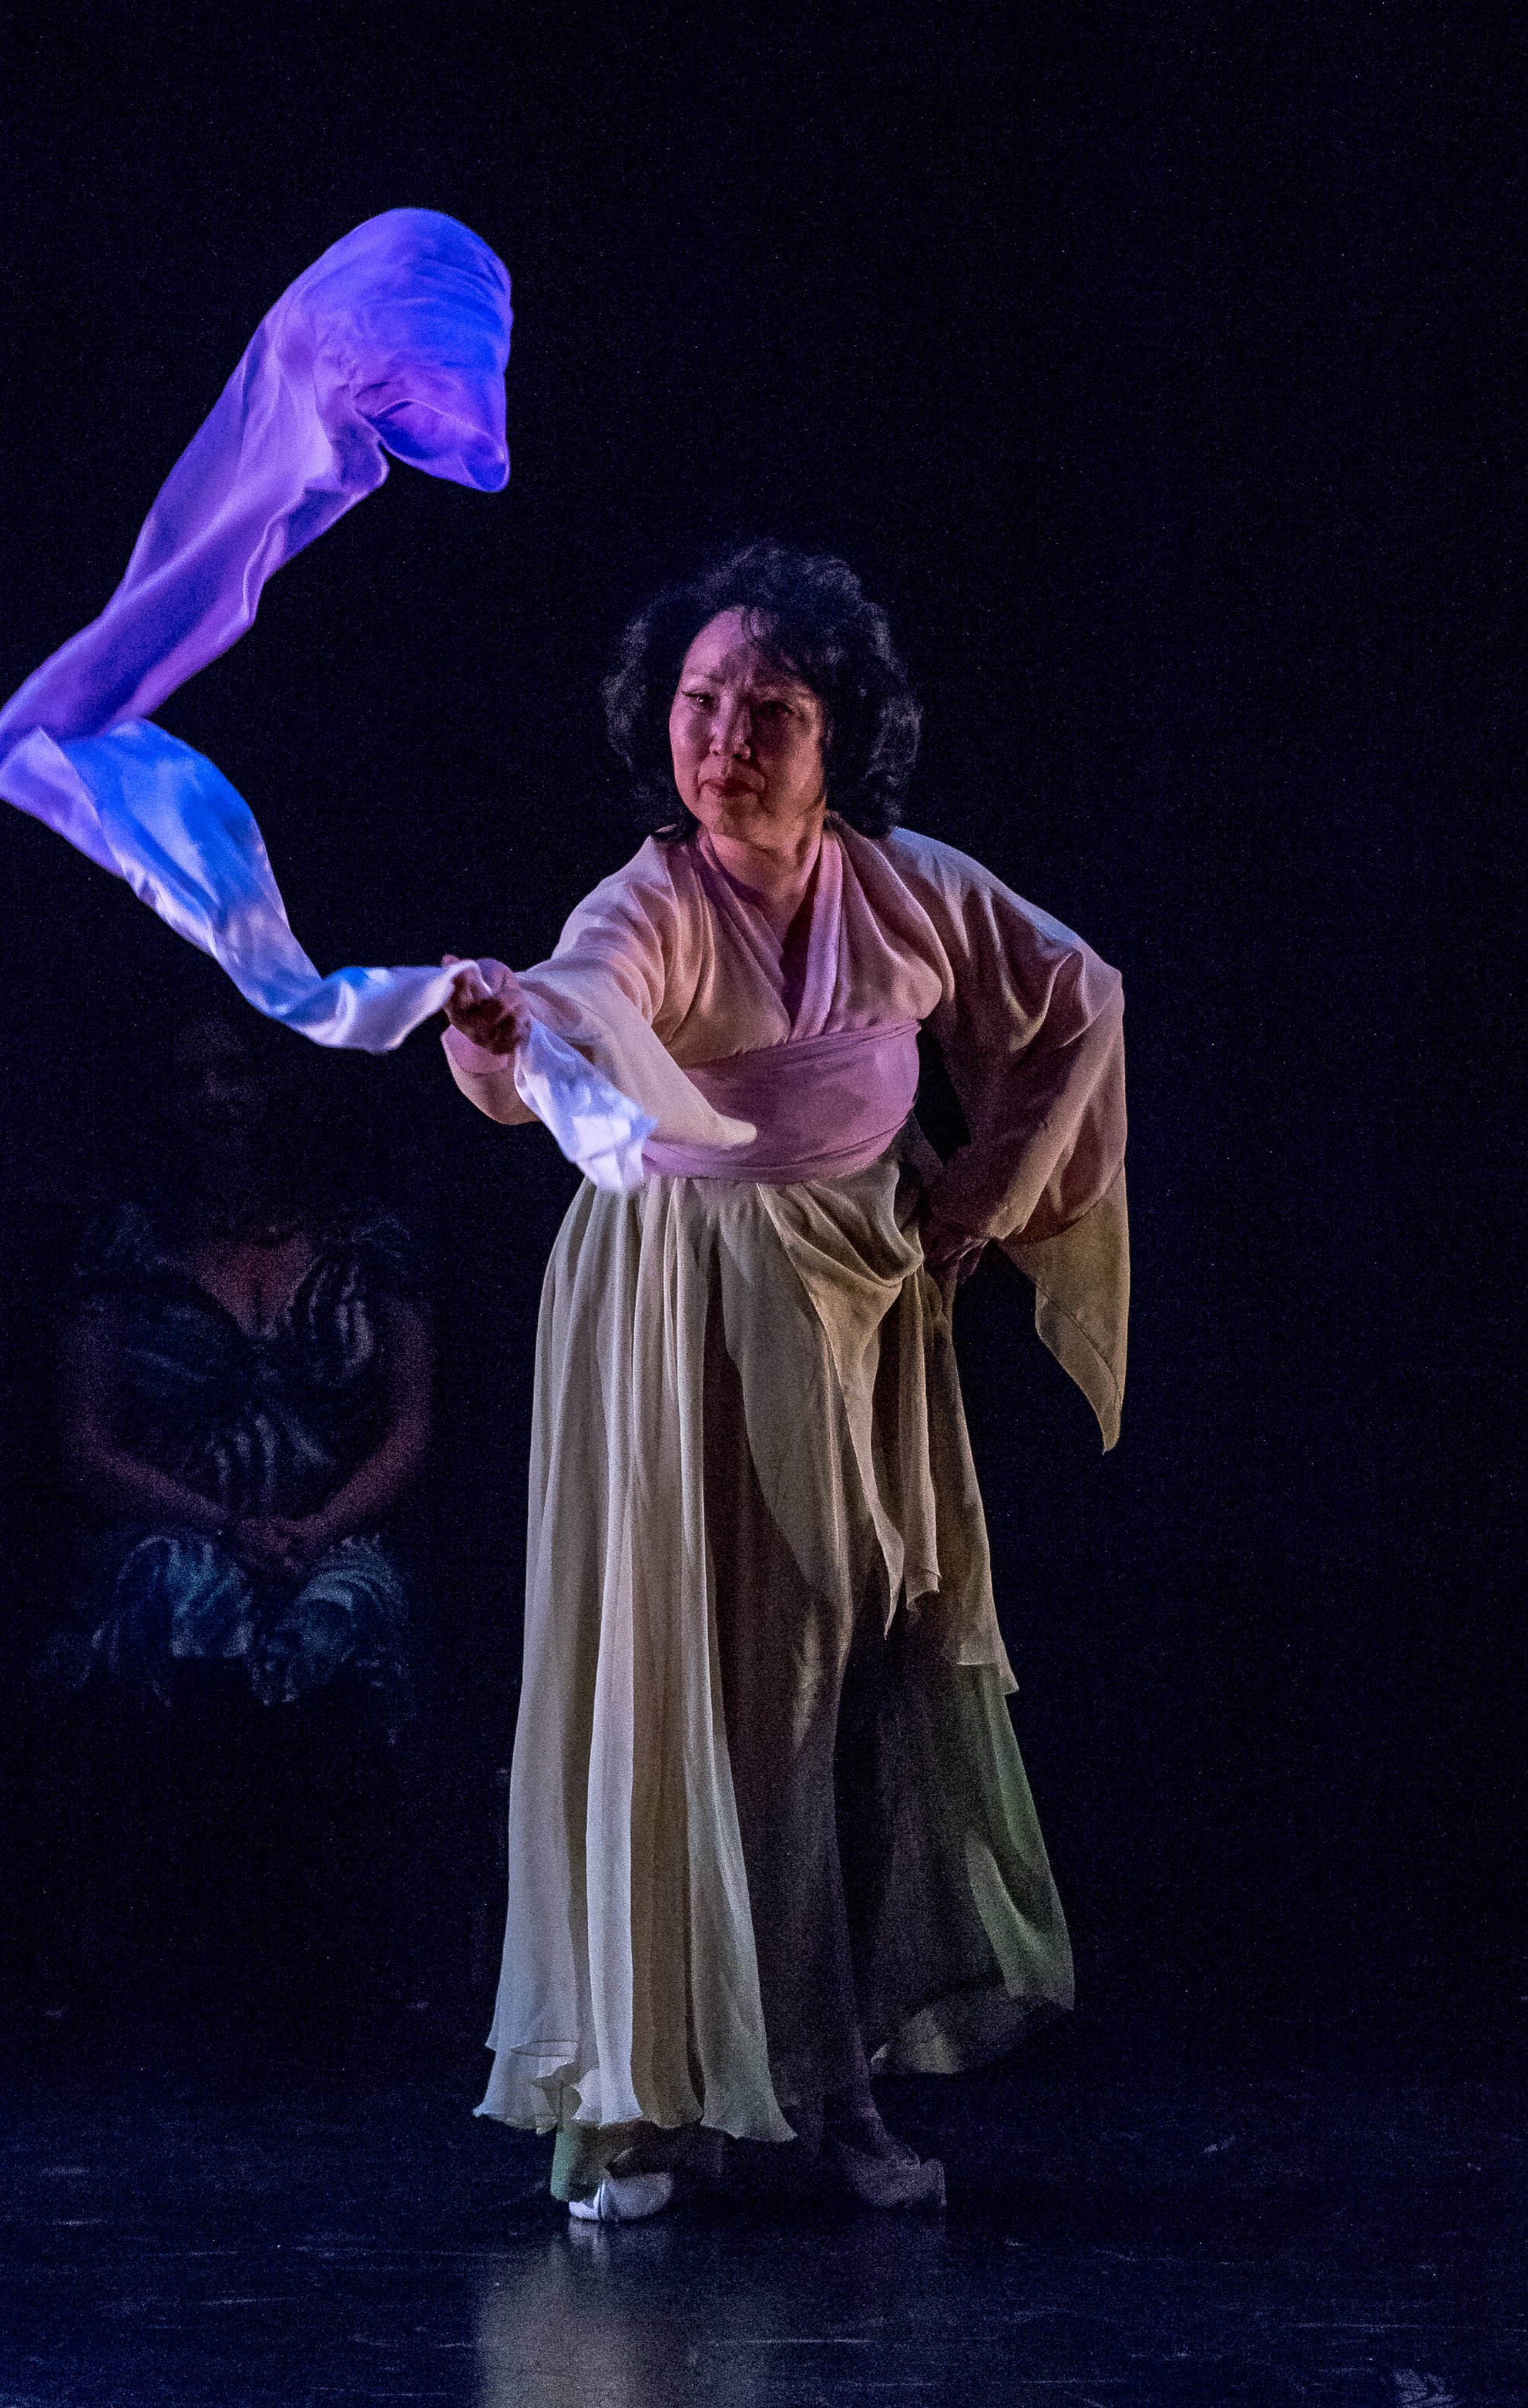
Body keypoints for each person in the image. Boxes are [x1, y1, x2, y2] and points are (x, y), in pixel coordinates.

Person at [442, 542, 1128, 2221]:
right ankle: (649, 2092)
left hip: (859, 1309)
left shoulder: (903, 890)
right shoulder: (652, 898)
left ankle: (833, 2077)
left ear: (838, 738)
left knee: (849, 1680)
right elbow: (585, 1004)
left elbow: (1079, 995)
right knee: (678, 1683)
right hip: (685, 1315)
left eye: (767, 708)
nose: (723, 737)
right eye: (697, 702)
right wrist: (507, 1022)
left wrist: (978, 1196)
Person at [47, 1006, 431, 1738]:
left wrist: (318, 1530)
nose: (215, 1096)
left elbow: (410, 1427)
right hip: (173, 1528)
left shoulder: (368, 1241)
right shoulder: (125, 1246)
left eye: (235, 1072)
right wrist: (227, 1528)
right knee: (181, 1591)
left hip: (332, 1535)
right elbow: (87, 1448)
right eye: (190, 1079)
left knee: (344, 1614)